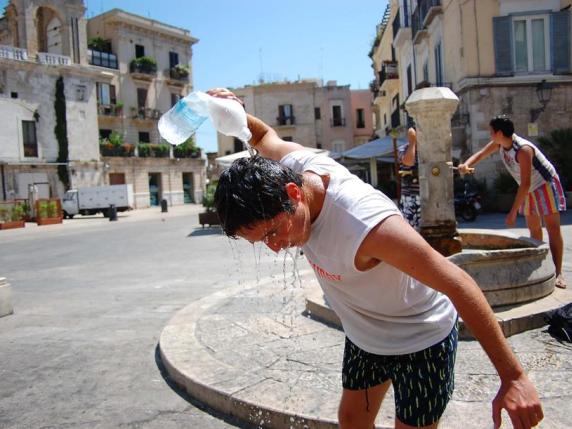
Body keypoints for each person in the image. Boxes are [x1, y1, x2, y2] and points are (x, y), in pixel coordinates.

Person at [210, 89, 543, 429]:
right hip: (366, 338)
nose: (276, 247)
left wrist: (513, 376)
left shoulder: (367, 225)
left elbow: (457, 283)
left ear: (294, 195)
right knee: (352, 421)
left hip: (421, 337)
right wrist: (234, 113)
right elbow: (265, 135)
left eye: (273, 232)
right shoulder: (293, 170)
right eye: (262, 241)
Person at [459, 116, 567, 289]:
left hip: (544, 184)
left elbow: (525, 183)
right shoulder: (500, 143)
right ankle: (541, 268)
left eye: (491, 131)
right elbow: (481, 154)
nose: (490, 134)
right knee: (534, 229)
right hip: (528, 187)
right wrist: (466, 164)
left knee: (553, 228)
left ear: (499, 133)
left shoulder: (523, 150)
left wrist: (512, 212)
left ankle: (559, 273)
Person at [398, 127, 420, 228]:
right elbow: (408, 162)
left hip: (426, 196)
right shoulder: (403, 149)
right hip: (410, 197)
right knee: (411, 228)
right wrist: (412, 143)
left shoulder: (427, 150)